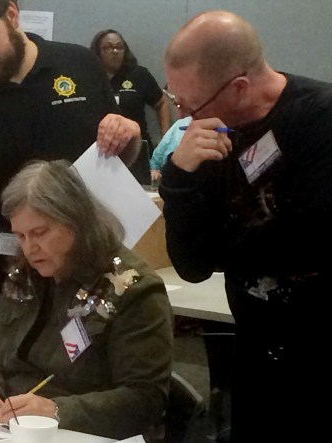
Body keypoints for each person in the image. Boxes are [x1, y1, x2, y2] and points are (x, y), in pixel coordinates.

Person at [0, 0, 142, 359]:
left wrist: (128, 134)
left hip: (86, 268)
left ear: (11, 16)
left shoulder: (78, 64)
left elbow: (113, 154)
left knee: (85, 377)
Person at [160, 10, 332, 441]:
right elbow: (193, 264)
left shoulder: (319, 120)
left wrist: (223, 240)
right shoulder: (208, 134)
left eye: (189, 103)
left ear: (239, 86)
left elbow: (305, 241)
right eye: (175, 99)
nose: (183, 114)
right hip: (256, 348)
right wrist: (180, 178)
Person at [0, 160, 172, 439]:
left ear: (76, 223)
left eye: (40, 233)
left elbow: (145, 400)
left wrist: (57, 411)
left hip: (84, 433)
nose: (30, 248)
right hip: (11, 428)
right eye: (21, 236)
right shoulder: (25, 273)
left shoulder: (132, 289)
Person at [90, 29, 170, 146]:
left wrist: (166, 138)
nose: (115, 51)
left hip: (136, 146)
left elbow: (161, 103)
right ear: (98, 51)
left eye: (119, 47)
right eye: (108, 47)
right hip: (101, 147)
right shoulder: (89, 77)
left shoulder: (138, 74)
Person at [150, 116, 191, 183]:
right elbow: (155, 164)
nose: (179, 112)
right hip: (169, 185)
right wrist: (154, 172)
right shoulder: (180, 124)